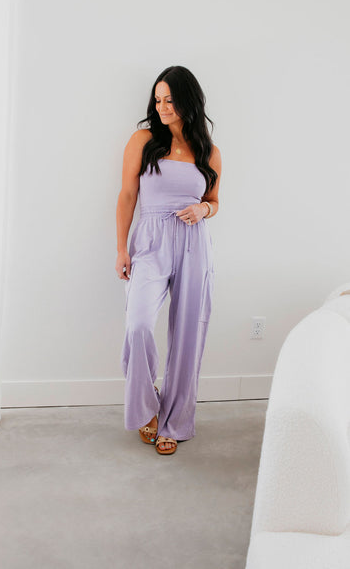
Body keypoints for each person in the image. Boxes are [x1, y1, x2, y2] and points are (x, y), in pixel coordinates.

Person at [115, 65, 222, 455]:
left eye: (170, 100)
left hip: (194, 243)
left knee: (189, 332)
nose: (162, 107)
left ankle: (174, 422)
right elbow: (128, 195)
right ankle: (147, 407)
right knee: (139, 324)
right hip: (151, 241)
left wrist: (203, 210)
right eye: (158, 100)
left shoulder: (209, 152)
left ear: (187, 101)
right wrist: (122, 248)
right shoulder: (143, 140)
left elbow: (214, 201)